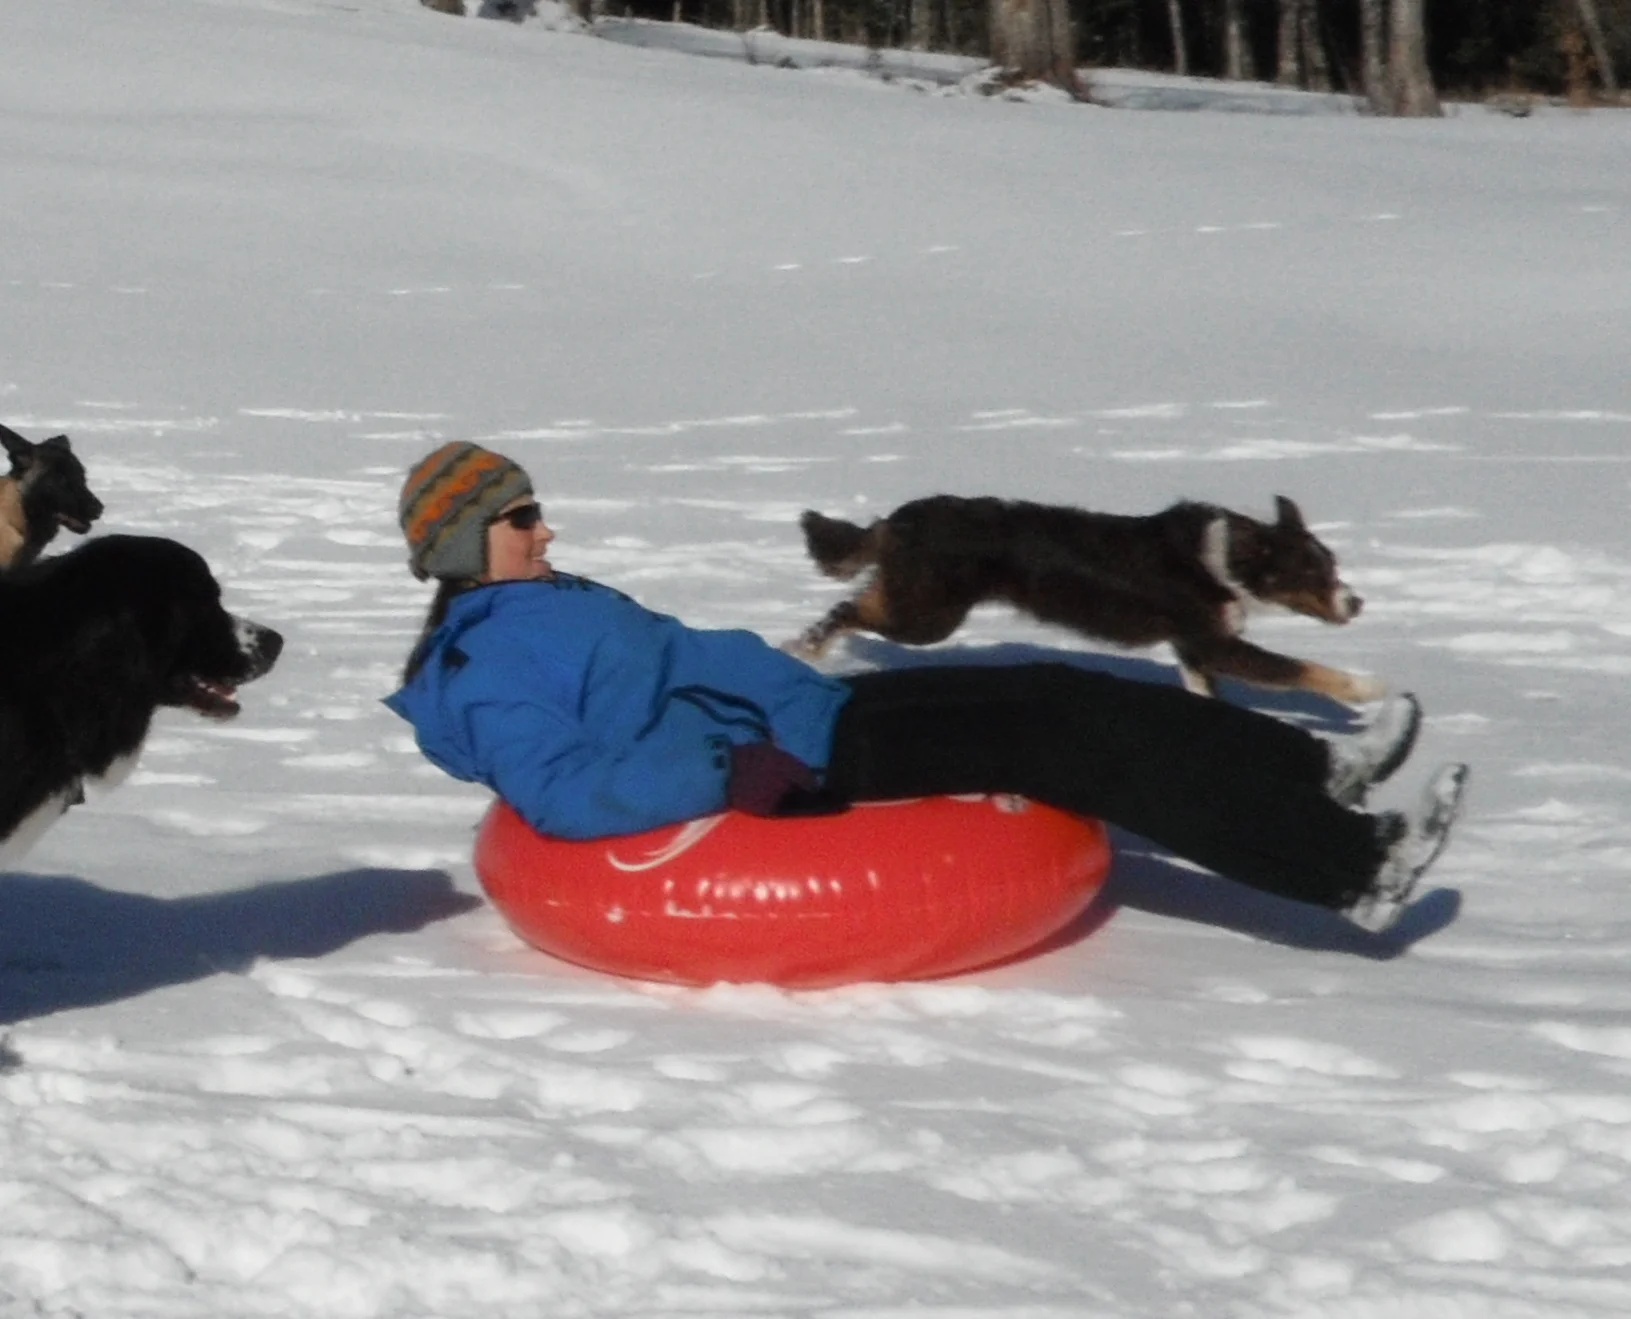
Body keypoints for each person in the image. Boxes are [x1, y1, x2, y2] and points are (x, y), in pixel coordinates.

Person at [385, 442, 1469, 934]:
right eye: (522, 517)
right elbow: (563, 792)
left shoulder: (536, 600)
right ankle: (1349, 869)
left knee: (1050, 684)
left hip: (812, 713)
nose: (546, 526)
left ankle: (1322, 767)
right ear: (469, 542)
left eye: (536, 509)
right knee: (1063, 739)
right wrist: (721, 765)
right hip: (792, 764)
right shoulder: (484, 667)